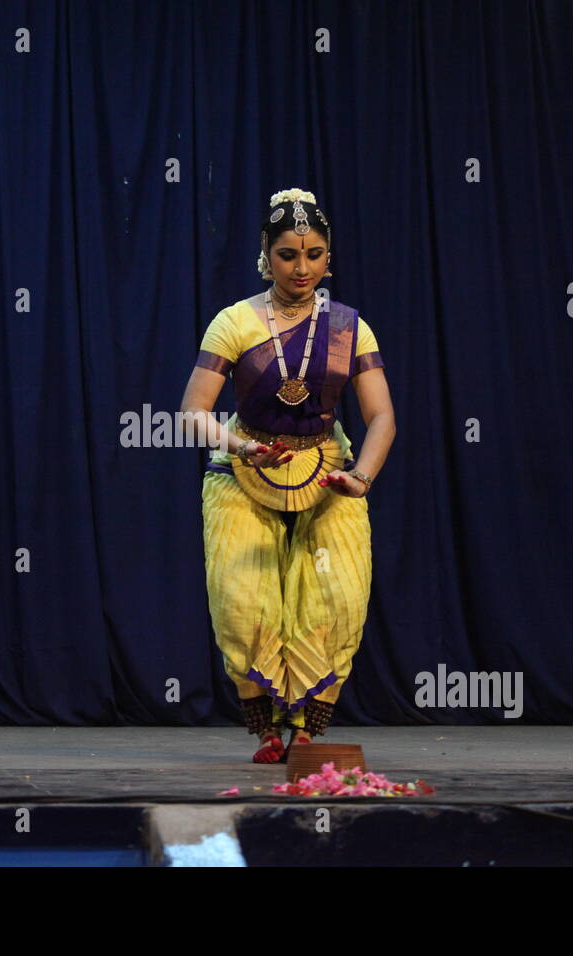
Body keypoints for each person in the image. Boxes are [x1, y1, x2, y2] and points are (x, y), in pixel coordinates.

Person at [179, 187, 397, 763]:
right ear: (266, 255)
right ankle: (267, 727)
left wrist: (363, 477)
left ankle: (304, 729)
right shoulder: (234, 322)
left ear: (329, 256)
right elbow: (192, 414)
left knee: (336, 597)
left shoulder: (352, 327)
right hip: (242, 471)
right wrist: (240, 447)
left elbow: (381, 417)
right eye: (288, 255)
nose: (302, 268)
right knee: (242, 601)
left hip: (327, 473)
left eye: (315, 254)